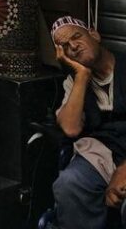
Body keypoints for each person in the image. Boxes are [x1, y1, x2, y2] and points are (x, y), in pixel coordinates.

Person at [52, 16, 126, 228]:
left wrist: (123, 171)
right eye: (65, 46)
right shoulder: (73, 84)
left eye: (77, 37)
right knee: (69, 184)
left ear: (94, 34)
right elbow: (71, 128)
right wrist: (82, 75)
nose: (73, 46)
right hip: (103, 156)